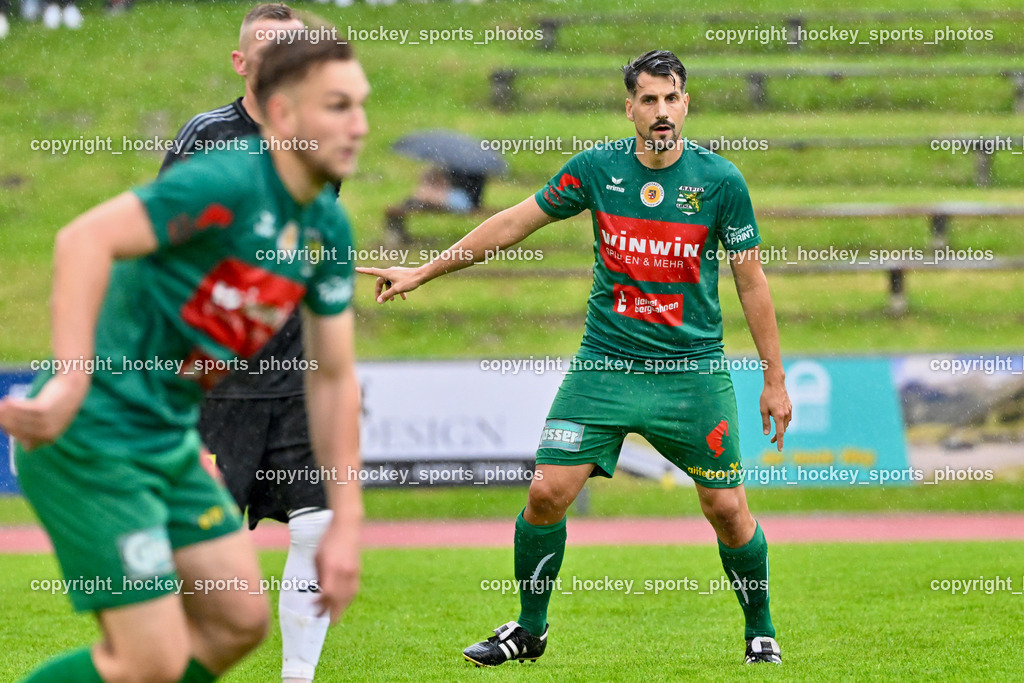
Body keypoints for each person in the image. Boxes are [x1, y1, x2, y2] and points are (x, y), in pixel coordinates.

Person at [358, 49, 792, 667]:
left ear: (686, 104)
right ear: (630, 108)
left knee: (726, 507)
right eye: (649, 100)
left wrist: (774, 380)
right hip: (604, 367)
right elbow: (512, 224)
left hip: (691, 372)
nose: (661, 112)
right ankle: (529, 629)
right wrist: (424, 271)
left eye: (671, 99)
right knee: (545, 494)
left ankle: (760, 630)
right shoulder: (596, 170)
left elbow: (752, 283)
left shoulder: (721, 182)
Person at [0, 34, 367, 682]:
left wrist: (349, 519)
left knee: (236, 623)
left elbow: (333, 376)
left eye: (361, 105)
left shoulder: (325, 228)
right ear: (284, 115)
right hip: (94, 432)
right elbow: (82, 239)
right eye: (337, 106)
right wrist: (67, 384)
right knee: (150, 657)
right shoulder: (224, 177)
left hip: (164, 436)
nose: (358, 126)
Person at [160, 6, 343, 682]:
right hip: (219, 379)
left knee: (315, 526)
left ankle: (298, 677)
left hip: (297, 375)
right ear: (241, 63)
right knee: (209, 541)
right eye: (264, 48)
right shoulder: (206, 136)